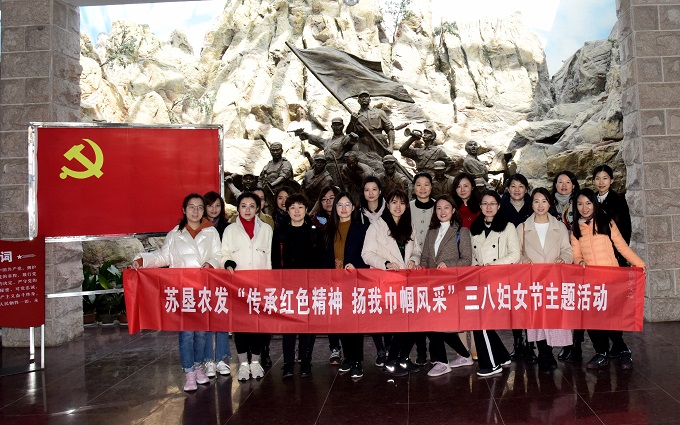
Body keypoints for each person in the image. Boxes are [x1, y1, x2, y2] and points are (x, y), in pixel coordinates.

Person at [132, 193, 222, 392]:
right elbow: (163, 257)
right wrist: (142, 260)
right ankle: (188, 371)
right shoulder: (175, 234)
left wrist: (212, 263)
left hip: (204, 289)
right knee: (187, 333)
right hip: (184, 290)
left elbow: (219, 254)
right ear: (184, 210)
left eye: (199, 207)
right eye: (191, 207)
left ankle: (198, 367)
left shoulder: (211, 232)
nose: (196, 211)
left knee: (202, 333)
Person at [570, 188, 646, 370]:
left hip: (611, 279)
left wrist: (639, 264)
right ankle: (601, 353)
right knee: (592, 320)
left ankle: (622, 348)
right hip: (590, 281)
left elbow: (622, 247)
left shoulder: (606, 222)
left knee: (611, 318)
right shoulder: (575, 229)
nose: (584, 207)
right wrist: (580, 261)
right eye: (580, 204)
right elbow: (576, 254)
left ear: (594, 204)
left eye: (588, 203)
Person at [361, 188, 423, 377]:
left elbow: (417, 250)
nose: (398, 206)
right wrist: (385, 263)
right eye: (394, 202)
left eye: (402, 203)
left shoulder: (409, 225)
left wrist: (414, 260)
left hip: (408, 282)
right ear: (387, 205)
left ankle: (403, 358)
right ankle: (391, 361)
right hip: (387, 282)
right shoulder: (377, 226)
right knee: (400, 324)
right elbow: (366, 254)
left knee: (415, 323)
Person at [517, 188, 574, 372]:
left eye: (544, 201)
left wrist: (563, 259)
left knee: (551, 317)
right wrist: (523, 260)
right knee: (537, 318)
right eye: (536, 201)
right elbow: (515, 253)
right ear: (531, 204)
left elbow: (567, 250)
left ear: (550, 203)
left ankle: (548, 351)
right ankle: (544, 353)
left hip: (553, 280)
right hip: (532, 281)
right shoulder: (522, 227)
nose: (540, 205)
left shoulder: (560, 226)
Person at [419, 195, 474, 377]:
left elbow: (467, 260)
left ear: (453, 210)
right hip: (431, 285)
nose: (442, 211)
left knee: (436, 324)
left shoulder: (461, 232)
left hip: (451, 286)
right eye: (438, 208)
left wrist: (448, 264)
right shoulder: (431, 232)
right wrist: (422, 268)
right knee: (436, 325)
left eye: (446, 207)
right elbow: (425, 258)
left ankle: (442, 362)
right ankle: (465, 355)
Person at [221, 192, 274, 381]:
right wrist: (227, 262)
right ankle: (243, 363)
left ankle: (256, 361)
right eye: (243, 206)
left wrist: (270, 284)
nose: (248, 210)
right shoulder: (230, 230)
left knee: (257, 325)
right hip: (238, 286)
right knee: (241, 325)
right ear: (238, 208)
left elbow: (269, 257)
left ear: (258, 208)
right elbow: (224, 253)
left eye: (252, 206)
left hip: (260, 285)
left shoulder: (266, 229)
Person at [272, 193, 324, 379]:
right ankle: (288, 363)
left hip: (309, 286)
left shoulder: (314, 231)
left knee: (308, 326)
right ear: (287, 210)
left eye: (300, 207)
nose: (296, 211)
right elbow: (275, 260)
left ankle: (305, 361)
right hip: (287, 287)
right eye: (292, 207)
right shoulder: (280, 232)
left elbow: (319, 260)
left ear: (306, 209)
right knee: (289, 326)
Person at [469, 189, 519, 376]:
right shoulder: (475, 228)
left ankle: (490, 364)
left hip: (500, 281)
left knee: (480, 322)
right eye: (485, 204)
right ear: (480, 206)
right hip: (480, 281)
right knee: (481, 321)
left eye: (492, 203)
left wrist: (492, 266)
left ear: (498, 206)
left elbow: (515, 254)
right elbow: (472, 257)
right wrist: (476, 269)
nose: (488, 207)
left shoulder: (508, 227)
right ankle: (502, 356)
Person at [322, 191, 370, 379]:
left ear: (353, 207)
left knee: (354, 322)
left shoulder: (362, 229)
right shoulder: (328, 229)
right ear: (335, 208)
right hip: (334, 282)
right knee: (341, 321)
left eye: (347, 204)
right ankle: (348, 357)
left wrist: (356, 266)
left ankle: (357, 361)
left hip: (354, 280)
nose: (343, 208)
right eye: (340, 205)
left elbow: (367, 254)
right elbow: (324, 256)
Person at [499, 174, 536, 363]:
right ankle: (517, 342)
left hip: (531, 260)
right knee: (515, 302)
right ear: (508, 189)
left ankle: (531, 344)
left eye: (521, 186)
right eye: (513, 186)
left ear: (526, 189)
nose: (517, 190)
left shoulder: (533, 205)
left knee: (530, 302)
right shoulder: (501, 207)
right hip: (510, 260)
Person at [307, 185, 343, 364]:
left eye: (332, 198)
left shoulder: (345, 218)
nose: (328, 202)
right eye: (324, 199)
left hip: (343, 272)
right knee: (331, 311)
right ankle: (334, 347)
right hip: (323, 272)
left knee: (344, 311)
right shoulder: (315, 222)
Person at [202, 191, 232, 378]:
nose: (214, 209)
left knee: (221, 318)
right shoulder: (198, 227)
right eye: (210, 205)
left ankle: (221, 358)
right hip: (203, 279)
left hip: (222, 279)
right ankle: (208, 360)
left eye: (217, 205)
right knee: (205, 320)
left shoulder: (228, 228)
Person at [408, 172, 436, 366]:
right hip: (414, 264)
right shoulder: (407, 207)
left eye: (426, 184)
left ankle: (435, 351)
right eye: (419, 184)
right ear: (414, 187)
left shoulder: (439, 206)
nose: (423, 188)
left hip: (434, 264)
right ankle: (420, 352)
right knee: (417, 309)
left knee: (433, 309)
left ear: (431, 187)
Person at [592, 164, 632, 266]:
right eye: (597, 178)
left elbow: (625, 229)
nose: (601, 182)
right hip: (595, 251)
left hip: (614, 252)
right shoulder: (590, 201)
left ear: (611, 180)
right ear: (593, 181)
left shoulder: (619, 201)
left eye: (605, 178)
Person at [346, 91, 395, 171]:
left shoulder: (379, 112)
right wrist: (352, 121)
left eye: (366, 96)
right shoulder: (356, 116)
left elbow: (390, 129)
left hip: (379, 142)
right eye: (361, 97)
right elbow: (349, 133)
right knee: (368, 166)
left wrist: (391, 146)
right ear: (358, 101)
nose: (364, 98)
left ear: (369, 99)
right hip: (365, 144)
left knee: (387, 164)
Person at [301, 117, 359, 184]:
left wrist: (353, 139)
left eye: (339, 125)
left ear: (343, 126)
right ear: (331, 127)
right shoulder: (327, 142)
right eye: (335, 125)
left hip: (339, 170)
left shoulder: (344, 138)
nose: (337, 127)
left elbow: (349, 141)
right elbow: (318, 140)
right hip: (326, 170)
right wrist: (308, 136)